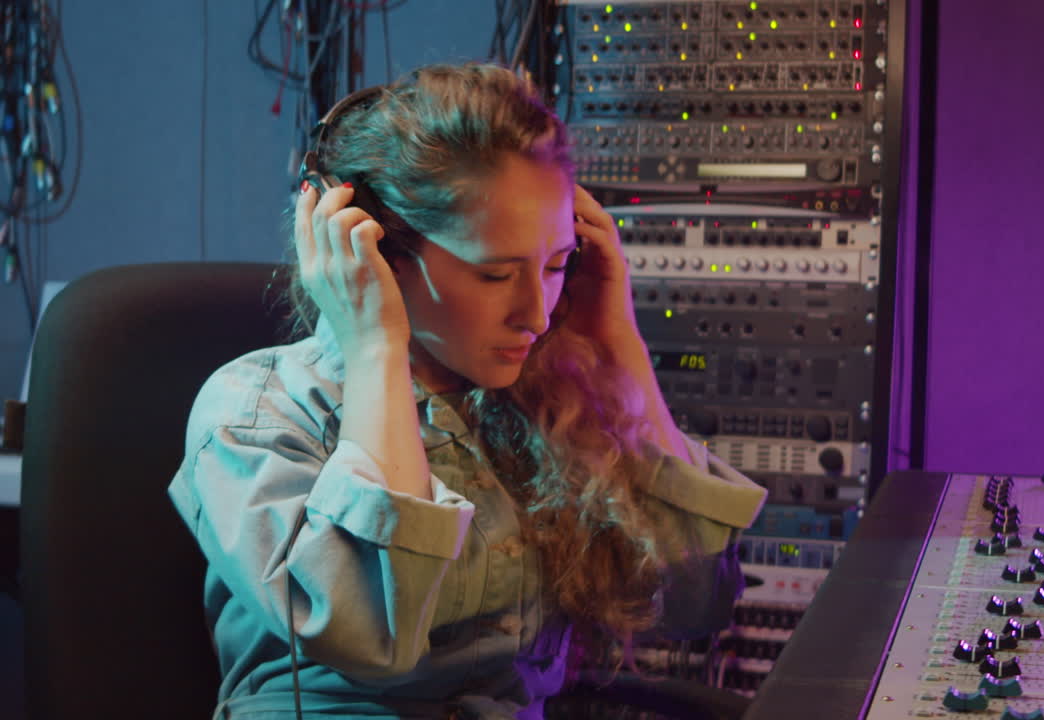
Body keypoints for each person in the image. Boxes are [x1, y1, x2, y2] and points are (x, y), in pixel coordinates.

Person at [169, 63, 767, 720]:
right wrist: (376, 351)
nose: (536, 313)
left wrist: (617, 342)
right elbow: (372, 639)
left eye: (555, 264)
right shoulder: (257, 412)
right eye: (493, 275)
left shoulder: (547, 400)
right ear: (376, 249)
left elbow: (693, 604)